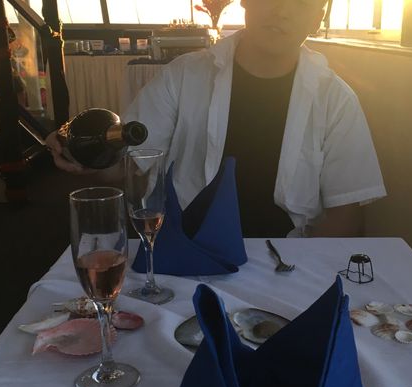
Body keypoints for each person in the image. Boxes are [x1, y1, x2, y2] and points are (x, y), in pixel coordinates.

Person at [47, 0, 386, 237]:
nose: (282, 10)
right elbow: (131, 164)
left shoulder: (335, 99)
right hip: (186, 247)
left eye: (300, 2)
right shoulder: (183, 76)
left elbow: (346, 211)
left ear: (317, 18)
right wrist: (88, 161)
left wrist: (304, 277)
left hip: (285, 258)